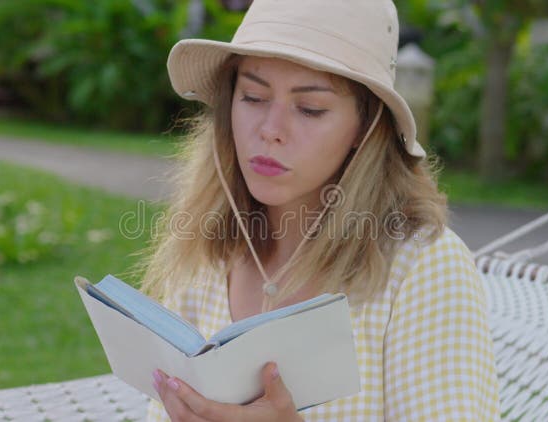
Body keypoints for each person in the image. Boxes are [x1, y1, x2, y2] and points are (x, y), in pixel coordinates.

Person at [139, 0, 500, 420]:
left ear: (364, 128)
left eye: (310, 108)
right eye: (253, 97)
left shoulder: (420, 268)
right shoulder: (208, 248)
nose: (271, 130)